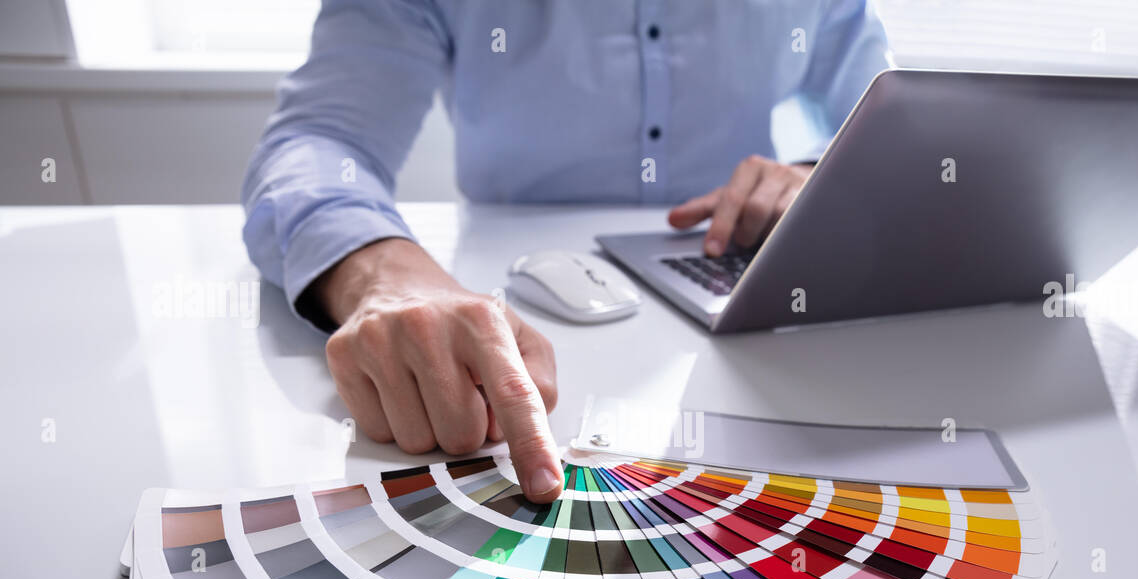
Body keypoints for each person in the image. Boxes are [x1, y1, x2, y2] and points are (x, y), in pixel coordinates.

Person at [242, 0, 891, 502]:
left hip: (751, 308)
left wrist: (826, 173)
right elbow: (321, 141)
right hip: (506, 329)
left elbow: (886, 117)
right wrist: (383, 274)